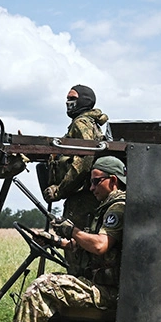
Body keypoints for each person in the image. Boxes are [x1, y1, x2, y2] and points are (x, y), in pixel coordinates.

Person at [0, 155, 127, 322]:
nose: (91, 188)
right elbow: (91, 246)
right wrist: (58, 241)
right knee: (48, 282)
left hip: (111, 293)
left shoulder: (118, 207)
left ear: (113, 180)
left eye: (96, 182)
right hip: (104, 286)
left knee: (44, 286)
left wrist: (72, 230)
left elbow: (99, 245)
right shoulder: (106, 207)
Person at [42, 84, 109, 225]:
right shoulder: (88, 123)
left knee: (74, 242)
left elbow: (85, 158)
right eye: (67, 98)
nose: (68, 102)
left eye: (72, 98)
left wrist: (59, 190)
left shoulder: (81, 123)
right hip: (83, 197)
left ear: (84, 100)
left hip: (82, 199)